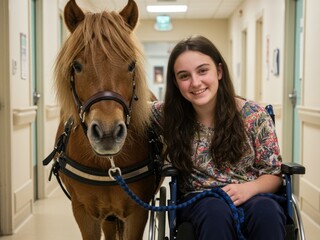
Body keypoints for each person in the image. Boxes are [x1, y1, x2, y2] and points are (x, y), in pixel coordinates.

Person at [150, 35, 286, 240]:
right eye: (184, 76)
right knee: (215, 212)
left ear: (219, 71)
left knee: (266, 211)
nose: (196, 83)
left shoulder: (254, 116)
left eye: (203, 71)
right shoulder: (168, 116)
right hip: (200, 201)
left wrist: (250, 188)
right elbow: (129, 107)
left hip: (253, 194)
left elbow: (273, 174)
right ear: (176, 83)